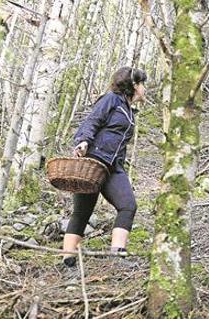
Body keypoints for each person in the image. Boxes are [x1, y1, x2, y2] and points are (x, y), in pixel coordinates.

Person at [62, 67, 146, 267]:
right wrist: (83, 141)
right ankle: (68, 261)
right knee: (82, 213)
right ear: (134, 85)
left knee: (128, 206)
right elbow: (92, 120)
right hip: (95, 162)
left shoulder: (128, 110)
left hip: (114, 167)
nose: (145, 88)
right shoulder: (111, 99)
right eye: (142, 83)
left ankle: (117, 256)